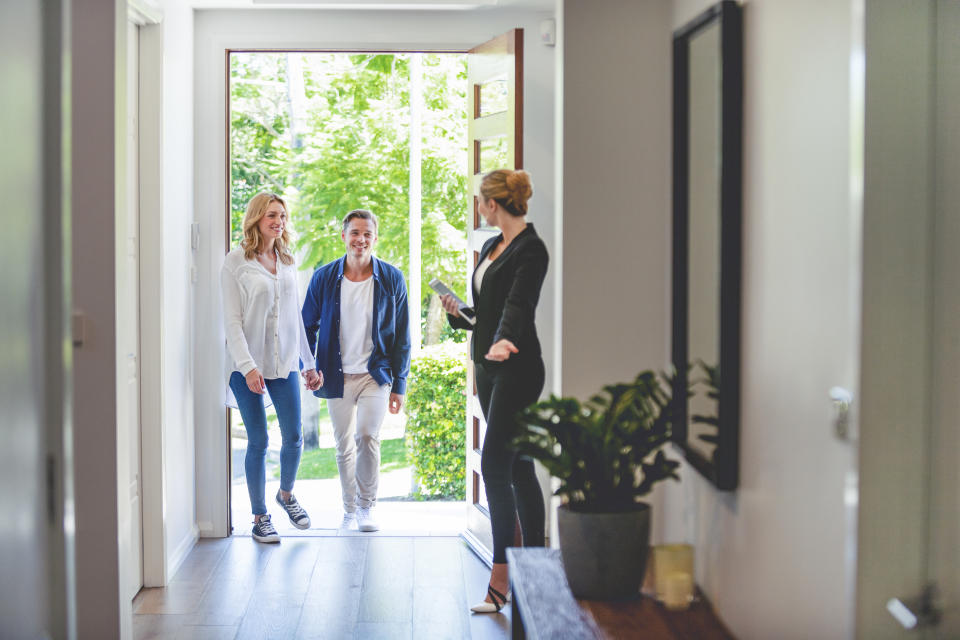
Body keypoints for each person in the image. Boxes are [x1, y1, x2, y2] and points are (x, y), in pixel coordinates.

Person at [440, 169, 548, 614]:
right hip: (488, 368)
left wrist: (505, 337)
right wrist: (457, 313)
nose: (478, 208)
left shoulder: (531, 249)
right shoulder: (490, 246)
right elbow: (484, 310)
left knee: (494, 464)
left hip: (518, 370)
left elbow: (519, 304)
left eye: (480, 202)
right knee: (520, 467)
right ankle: (536, 570)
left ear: (493, 204)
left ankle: (500, 577)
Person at [221, 192, 322, 543]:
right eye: (271, 216)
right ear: (256, 219)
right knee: (259, 440)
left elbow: (295, 317)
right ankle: (259, 516)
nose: (278, 222)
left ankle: (286, 495)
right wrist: (248, 367)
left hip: (285, 365)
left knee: (294, 437)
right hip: (246, 366)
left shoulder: (287, 261)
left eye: (282, 215)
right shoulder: (236, 262)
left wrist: (308, 363)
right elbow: (232, 323)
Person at [302, 209, 411, 533]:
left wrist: (399, 385)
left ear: (375, 238)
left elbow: (403, 336)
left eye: (367, 234)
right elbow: (306, 325)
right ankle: (348, 510)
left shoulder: (392, 278)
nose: (360, 239)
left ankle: (366, 507)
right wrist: (308, 368)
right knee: (342, 443)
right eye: (355, 233)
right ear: (344, 236)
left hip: (374, 374)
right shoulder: (324, 277)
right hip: (335, 375)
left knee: (367, 435)